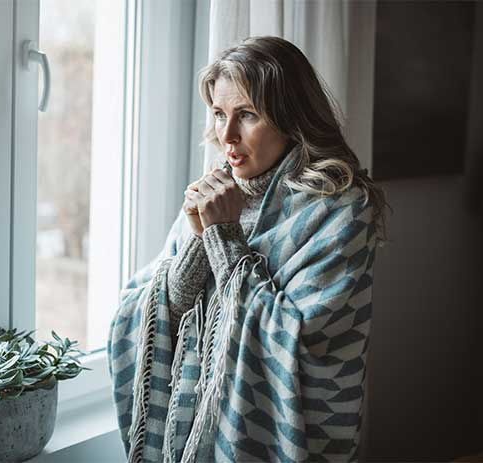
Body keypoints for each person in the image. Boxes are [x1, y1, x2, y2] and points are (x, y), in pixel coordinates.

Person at [107, 36, 390, 463]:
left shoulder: (344, 209)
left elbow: (295, 338)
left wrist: (221, 234)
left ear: (290, 118)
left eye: (247, 115)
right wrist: (202, 242)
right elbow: (151, 305)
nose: (226, 135)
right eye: (219, 114)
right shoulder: (219, 190)